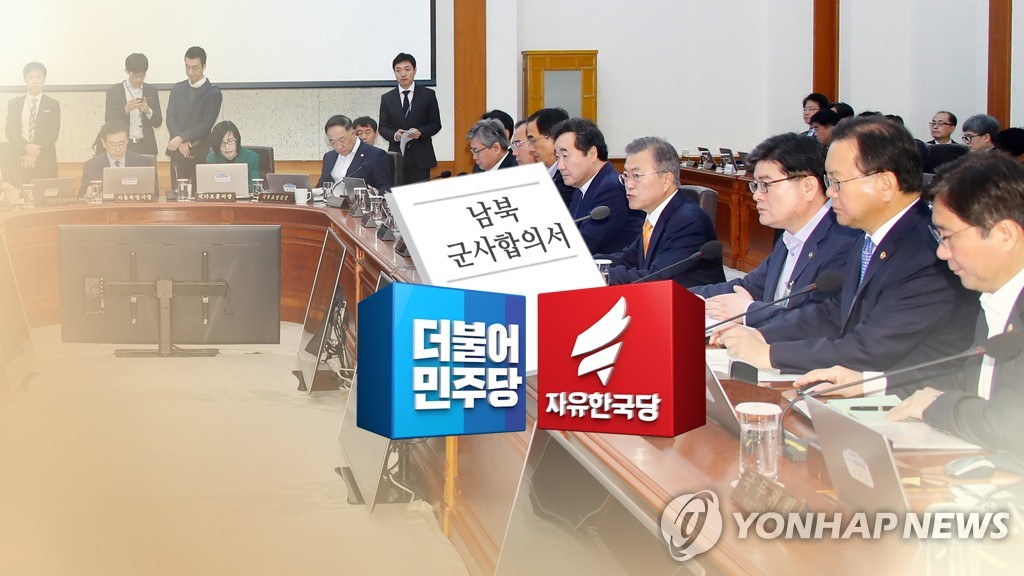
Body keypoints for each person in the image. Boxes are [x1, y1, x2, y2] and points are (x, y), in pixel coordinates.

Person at [712, 117, 979, 381]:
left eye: (837, 182)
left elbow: (869, 350)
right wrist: (761, 335)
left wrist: (770, 354)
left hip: (909, 395)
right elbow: (832, 314)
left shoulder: (927, 251)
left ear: (885, 185)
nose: (830, 193)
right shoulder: (871, 237)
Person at [796, 154, 1024, 458]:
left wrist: (935, 407)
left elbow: (1011, 426)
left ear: (1005, 235)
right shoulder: (996, 298)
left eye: (948, 237)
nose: (942, 253)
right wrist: (870, 383)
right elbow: (968, 381)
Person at [692, 133, 858, 327]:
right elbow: (749, 287)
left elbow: (818, 323)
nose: (757, 196)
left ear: (808, 187)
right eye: (756, 185)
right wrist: (678, 297)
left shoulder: (844, 242)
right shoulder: (789, 235)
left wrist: (749, 312)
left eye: (765, 185)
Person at [594, 137, 723, 287]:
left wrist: (599, 272)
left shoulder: (688, 221)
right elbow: (629, 258)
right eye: (626, 176)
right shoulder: (655, 215)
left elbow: (656, 280)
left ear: (667, 179)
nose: (629, 184)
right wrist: (587, 263)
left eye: (636, 176)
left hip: (692, 300)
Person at [551, 118, 644, 255]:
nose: (560, 166)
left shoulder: (612, 190)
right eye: (558, 157)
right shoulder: (581, 189)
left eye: (565, 156)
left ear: (592, 154)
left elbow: (582, 245)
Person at [378, 53, 442, 184]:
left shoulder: (428, 95)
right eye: (398, 70)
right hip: (397, 157)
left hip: (421, 157)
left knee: (419, 194)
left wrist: (420, 132)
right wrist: (395, 135)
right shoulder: (387, 98)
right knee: (397, 194)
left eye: (407, 69)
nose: (403, 74)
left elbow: (436, 124)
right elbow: (383, 127)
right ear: (394, 73)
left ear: (415, 70)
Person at [166, 46, 223, 188]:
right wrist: (179, 141)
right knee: (178, 194)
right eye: (187, 67)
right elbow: (170, 117)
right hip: (178, 152)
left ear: (204, 66)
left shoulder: (213, 93)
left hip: (200, 151)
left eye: (195, 68)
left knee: (200, 193)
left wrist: (182, 138)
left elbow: (206, 124)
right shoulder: (178, 88)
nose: (190, 72)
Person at [4, 62, 60, 185]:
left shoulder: (52, 104)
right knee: (19, 192)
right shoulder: (14, 104)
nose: (35, 81)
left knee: (45, 193)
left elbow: (53, 133)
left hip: (45, 158)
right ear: (25, 80)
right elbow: (10, 130)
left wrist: (34, 152)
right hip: (19, 156)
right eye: (31, 77)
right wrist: (26, 146)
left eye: (39, 77)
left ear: (44, 79)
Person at [317, 114, 393, 192]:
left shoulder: (375, 155)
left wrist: (371, 193)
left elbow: (386, 189)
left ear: (353, 133)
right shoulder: (329, 157)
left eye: (342, 140)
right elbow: (321, 185)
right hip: (331, 199)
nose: (339, 146)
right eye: (333, 142)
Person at [105, 53, 162, 156]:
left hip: (146, 146)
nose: (139, 79)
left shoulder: (151, 91)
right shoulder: (114, 91)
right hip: (124, 146)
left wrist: (148, 110)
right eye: (135, 76)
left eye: (142, 75)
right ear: (127, 71)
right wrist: (125, 110)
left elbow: (158, 122)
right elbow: (108, 120)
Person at [79, 120, 155, 195]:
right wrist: (87, 193)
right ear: (104, 143)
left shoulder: (143, 163)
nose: (117, 149)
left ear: (127, 140)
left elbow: (154, 195)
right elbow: (82, 195)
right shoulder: (91, 166)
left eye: (121, 144)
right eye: (112, 144)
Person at [526, 107, 573, 207]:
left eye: (533, 141)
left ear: (554, 138)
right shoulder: (541, 174)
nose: (530, 149)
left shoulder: (568, 178)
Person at [205, 121, 260, 194]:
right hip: (220, 200)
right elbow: (206, 187)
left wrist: (227, 188)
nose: (227, 147)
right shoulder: (211, 158)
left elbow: (255, 187)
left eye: (230, 141)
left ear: (237, 141)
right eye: (222, 143)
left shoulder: (252, 158)